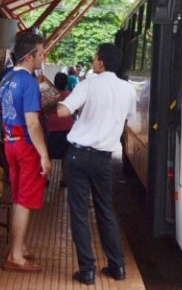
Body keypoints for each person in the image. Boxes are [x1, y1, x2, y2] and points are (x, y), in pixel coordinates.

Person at [57, 44, 137, 285]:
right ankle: (117, 266)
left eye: (94, 58)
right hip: (103, 159)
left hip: (78, 157)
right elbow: (128, 120)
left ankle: (88, 270)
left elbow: (62, 112)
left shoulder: (88, 84)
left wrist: (58, 103)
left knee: (79, 213)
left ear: (101, 62)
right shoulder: (128, 89)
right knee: (105, 211)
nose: (93, 62)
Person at [0, 32, 52, 272]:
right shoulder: (29, 82)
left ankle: (20, 246)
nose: (43, 57)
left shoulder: (6, 78)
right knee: (24, 200)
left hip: (9, 141)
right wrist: (44, 154)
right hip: (26, 146)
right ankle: (16, 255)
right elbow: (32, 123)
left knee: (18, 195)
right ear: (29, 56)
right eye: (41, 53)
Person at [44, 72, 73, 187]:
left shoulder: (50, 94)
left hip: (51, 128)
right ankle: (64, 179)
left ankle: (45, 178)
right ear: (66, 83)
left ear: (55, 82)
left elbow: (44, 110)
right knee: (65, 155)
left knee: (48, 154)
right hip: (66, 128)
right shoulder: (70, 95)